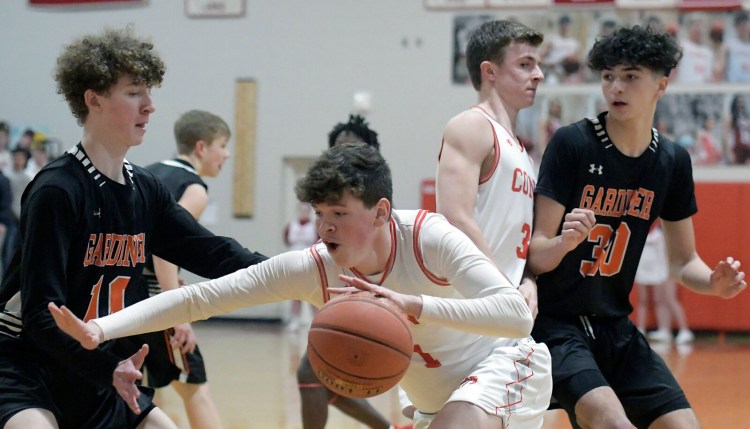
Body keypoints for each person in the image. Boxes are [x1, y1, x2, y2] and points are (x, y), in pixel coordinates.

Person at [51, 142, 553, 429]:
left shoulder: (429, 237)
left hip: (503, 364)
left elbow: (516, 315)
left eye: (340, 213)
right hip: (430, 399)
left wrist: (414, 305)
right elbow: (202, 296)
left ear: (380, 213)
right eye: (320, 214)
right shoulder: (313, 267)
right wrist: (101, 328)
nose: (325, 227)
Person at [0, 27, 266, 429]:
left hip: (99, 370)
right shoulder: (57, 189)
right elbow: (40, 315)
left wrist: (299, 271)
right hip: (28, 366)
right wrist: (107, 367)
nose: (150, 106)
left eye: (149, 92)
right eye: (134, 92)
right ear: (94, 100)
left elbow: (214, 254)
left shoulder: (146, 189)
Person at [528, 25, 747, 429]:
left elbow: (684, 262)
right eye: (608, 76)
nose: (616, 87)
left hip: (616, 326)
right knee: (612, 423)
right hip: (555, 324)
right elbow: (535, 255)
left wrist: (713, 284)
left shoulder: (672, 161)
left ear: (661, 85)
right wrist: (563, 242)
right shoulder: (572, 144)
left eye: (631, 77)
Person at [297, 116, 410, 429]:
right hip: (341, 292)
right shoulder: (328, 196)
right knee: (328, 376)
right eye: (337, 149)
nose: (342, 156)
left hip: (379, 298)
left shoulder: (372, 201)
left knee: (314, 372)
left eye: (351, 148)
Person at [139, 109, 234, 429]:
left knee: (128, 385)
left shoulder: (147, 172)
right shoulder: (194, 188)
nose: (228, 154)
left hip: (118, 289)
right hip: (151, 299)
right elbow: (167, 249)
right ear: (201, 148)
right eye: (223, 145)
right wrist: (177, 311)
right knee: (195, 387)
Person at [635, 221, 694, 344]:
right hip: (650, 270)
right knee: (658, 300)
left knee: (671, 300)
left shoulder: (665, 233)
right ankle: (664, 330)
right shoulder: (644, 230)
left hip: (666, 270)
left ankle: (685, 330)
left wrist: (670, 271)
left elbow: (671, 253)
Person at [725, 11, 750, 83]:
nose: (742, 27)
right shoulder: (729, 44)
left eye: (744, 24)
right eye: (739, 24)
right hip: (734, 88)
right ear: (735, 26)